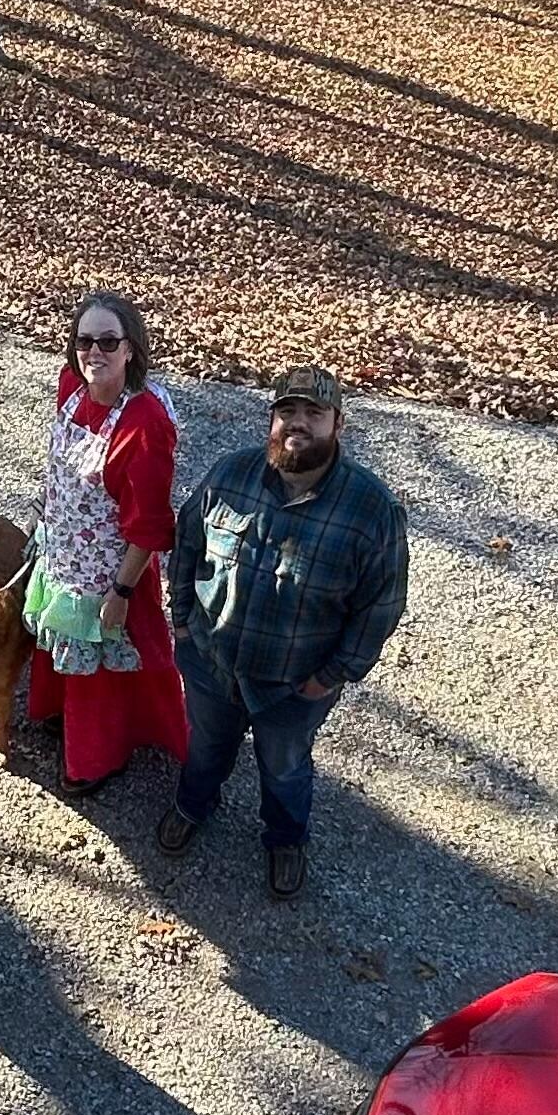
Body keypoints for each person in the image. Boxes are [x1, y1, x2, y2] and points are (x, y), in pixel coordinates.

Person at [157, 365, 410, 898]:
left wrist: (331, 676)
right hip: (211, 664)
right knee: (204, 748)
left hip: (295, 685)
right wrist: (181, 622)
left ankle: (285, 838)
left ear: (338, 424)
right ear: (271, 419)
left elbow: (380, 607)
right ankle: (193, 806)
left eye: (314, 413)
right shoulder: (229, 476)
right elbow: (186, 547)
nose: (298, 423)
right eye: (287, 411)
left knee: (285, 767)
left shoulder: (371, 510)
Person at [25, 290, 191, 797]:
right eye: (84, 341)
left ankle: (97, 757)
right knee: (66, 648)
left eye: (108, 342)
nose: (94, 352)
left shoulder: (145, 425)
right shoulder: (72, 385)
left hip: (111, 575)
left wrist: (120, 594)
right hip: (64, 555)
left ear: (130, 349)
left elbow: (149, 526)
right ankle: (60, 712)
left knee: (102, 670)